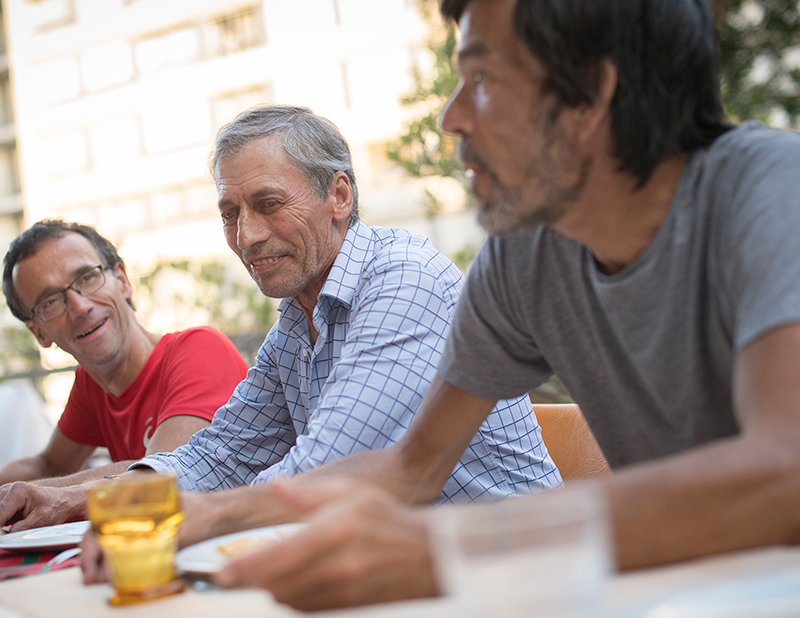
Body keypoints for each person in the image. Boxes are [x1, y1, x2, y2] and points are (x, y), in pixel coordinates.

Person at [183, 0, 800, 610]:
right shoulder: (526, 252)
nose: (451, 118)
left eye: (480, 80)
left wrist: (446, 548)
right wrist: (207, 514)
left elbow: (784, 474)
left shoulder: (773, 189)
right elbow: (410, 469)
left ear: (589, 94)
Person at [7, 106, 559, 534]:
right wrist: (70, 498)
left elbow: (324, 467)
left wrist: (190, 517)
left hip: (523, 573)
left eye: (268, 204)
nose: (245, 237)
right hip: (415, 570)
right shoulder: (294, 325)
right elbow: (222, 455)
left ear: (339, 194)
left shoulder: (403, 277)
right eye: (230, 214)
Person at [0, 220, 249, 527]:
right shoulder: (91, 384)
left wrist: (40, 493)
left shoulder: (201, 349)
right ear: (38, 332)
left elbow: (159, 475)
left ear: (122, 279)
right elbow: (48, 463)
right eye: (50, 302)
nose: (79, 306)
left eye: (88, 278)